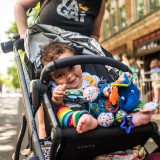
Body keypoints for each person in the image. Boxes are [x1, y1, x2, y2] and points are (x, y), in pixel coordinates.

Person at [14, 0, 105, 139]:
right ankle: (44, 130)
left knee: (106, 69)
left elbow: (95, 35)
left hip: (79, 53)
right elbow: (20, 6)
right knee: (43, 87)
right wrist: (24, 37)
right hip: (46, 51)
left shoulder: (99, 2)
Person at [41, 41, 153, 134]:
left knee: (114, 101)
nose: (69, 76)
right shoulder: (57, 88)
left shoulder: (90, 78)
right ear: (52, 79)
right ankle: (85, 120)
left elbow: (106, 89)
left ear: (79, 63)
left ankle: (128, 118)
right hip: (75, 114)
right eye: (60, 75)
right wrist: (57, 99)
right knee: (60, 112)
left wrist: (118, 82)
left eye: (71, 67)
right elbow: (57, 105)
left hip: (101, 111)